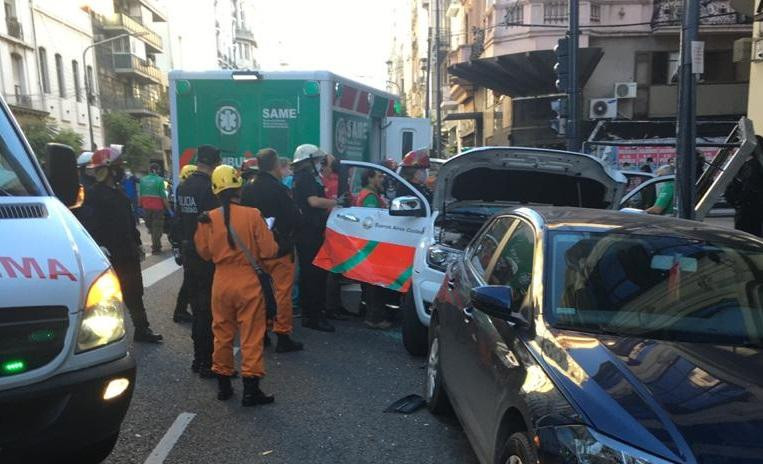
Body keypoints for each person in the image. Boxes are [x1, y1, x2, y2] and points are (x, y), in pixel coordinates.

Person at [194, 164, 278, 407]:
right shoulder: (252, 214)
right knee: (251, 334)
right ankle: (251, 390)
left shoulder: (207, 218)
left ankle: (223, 386)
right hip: (248, 281)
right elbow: (269, 250)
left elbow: (204, 253)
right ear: (238, 187)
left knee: (222, 332)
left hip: (221, 282)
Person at [81, 147, 162, 343]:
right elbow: (86, 224)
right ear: (107, 169)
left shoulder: (118, 193)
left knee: (135, 293)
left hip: (127, 251)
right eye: (118, 168)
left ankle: (142, 329)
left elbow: (128, 221)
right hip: (108, 254)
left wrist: (138, 243)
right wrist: (97, 245)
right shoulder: (92, 195)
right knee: (106, 297)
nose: (121, 172)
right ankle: (103, 335)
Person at [240, 148, 304, 352]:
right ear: (276, 165)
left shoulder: (248, 188)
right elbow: (294, 217)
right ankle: (283, 334)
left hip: (255, 249)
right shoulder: (278, 189)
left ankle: (262, 332)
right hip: (279, 248)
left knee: (260, 292)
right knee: (282, 292)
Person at [176, 145, 221, 378]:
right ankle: (208, 362)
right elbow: (216, 225)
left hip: (188, 251)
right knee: (208, 312)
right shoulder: (209, 189)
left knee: (197, 307)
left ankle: (198, 359)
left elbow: (177, 219)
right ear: (215, 163)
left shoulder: (183, 186)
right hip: (206, 255)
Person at [292, 144, 338, 332]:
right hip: (309, 233)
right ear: (308, 160)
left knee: (309, 275)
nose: (320, 164)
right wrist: (337, 203)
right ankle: (314, 316)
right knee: (314, 275)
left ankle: (309, 313)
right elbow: (313, 201)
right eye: (317, 160)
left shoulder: (302, 178)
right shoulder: (306, 179)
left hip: (306, 232)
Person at [355, 169, 392, 329]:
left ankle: (368, 312)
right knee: (375, 283)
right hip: (373, 245)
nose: (382, 179)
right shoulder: (370, 197)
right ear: (370, 178)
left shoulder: (367, 193)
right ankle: (374, 318)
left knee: (368, 282)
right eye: (379, 176)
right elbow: (372, 221)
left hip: (367, 245)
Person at [169, 164, 198, 324]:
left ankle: (181, 310)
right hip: (190, 242)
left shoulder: (181, 190)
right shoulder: (187, 191)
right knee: (190, 279)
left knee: (189, 278)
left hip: (184, 241)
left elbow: (177, 220)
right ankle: (180, 310)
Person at [725, 137, 763, 236]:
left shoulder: (750, 167)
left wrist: (737, 200)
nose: (731, 153)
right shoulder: (751, 166)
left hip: (747, 211)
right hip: (748, 209)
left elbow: (748, 190)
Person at [139, 162, 171, 254]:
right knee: (157, 228)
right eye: (158, 170)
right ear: (155, 170)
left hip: (146, 208)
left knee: (152, 228)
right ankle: (156, 248)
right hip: (158, 208)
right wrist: (169, 209)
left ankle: (156, 244)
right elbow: (163, 197)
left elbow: (140, 194)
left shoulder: (143, 180)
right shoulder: (160, 180)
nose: (159, 172)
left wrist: (140, 205)